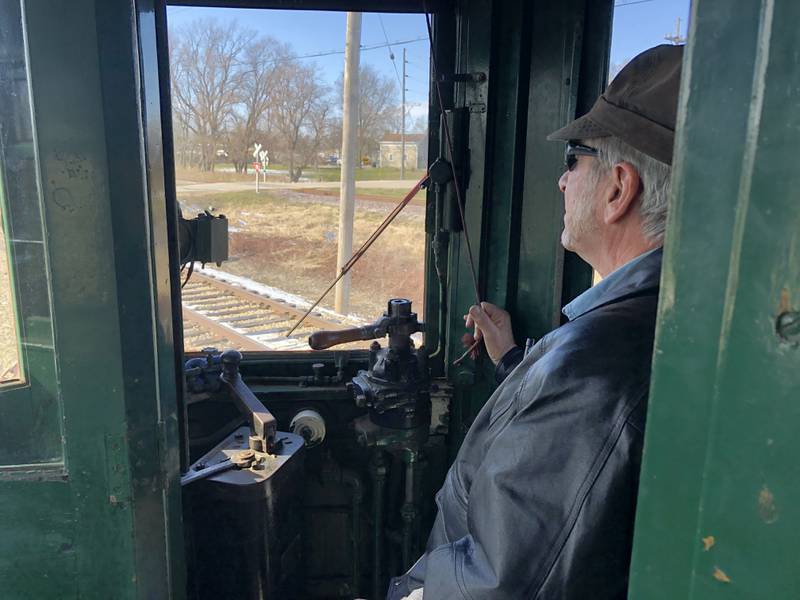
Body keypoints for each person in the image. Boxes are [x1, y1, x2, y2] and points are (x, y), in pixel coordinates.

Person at [387, 44, 683, 600]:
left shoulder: (595, 368)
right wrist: (512, 360)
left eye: (574, 159)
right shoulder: (661, 317)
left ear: (619, 189)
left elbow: (501, 585)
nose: (562, 182)